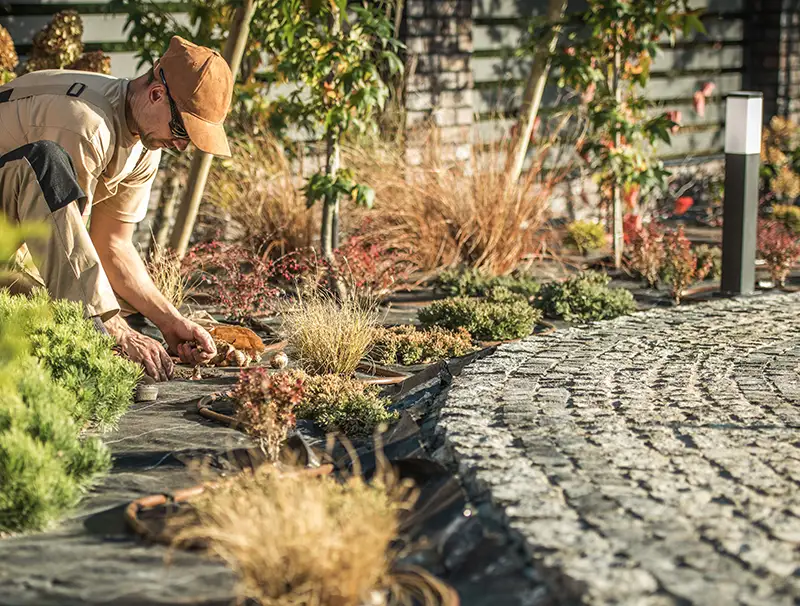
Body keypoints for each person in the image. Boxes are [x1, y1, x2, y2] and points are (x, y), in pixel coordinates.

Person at [0, 35, 232, 382]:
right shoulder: (86, 124)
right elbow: (63, 254)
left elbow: (113, 246)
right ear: (156, 94)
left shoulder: (144, 143)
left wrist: (169, 321)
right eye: (182, 129)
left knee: (93, 306)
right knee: (80, 313)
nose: (181, 146)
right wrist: (115, 330)